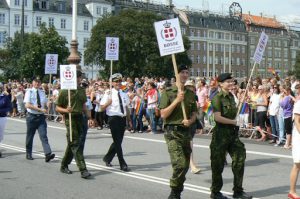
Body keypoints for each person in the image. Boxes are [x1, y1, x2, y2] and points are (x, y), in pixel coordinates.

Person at [210, 73, 252, 199]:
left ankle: (238, 191)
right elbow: (217, 117)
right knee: (217, 165)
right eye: (228, 81)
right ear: (221, 84)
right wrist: (234, 122)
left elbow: (233, 114)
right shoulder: (217, 98)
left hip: (232, 134)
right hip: (221, 134)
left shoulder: (231, 97)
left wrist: (240, 105)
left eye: (232, 81)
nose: (231, 83)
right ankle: (215, 192)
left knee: (239, 159)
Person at [159, 65, 197, 199]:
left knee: (186, 165)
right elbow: (163, 114)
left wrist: (191, 121)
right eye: (182, 72)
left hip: (185, 132)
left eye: (187, 72)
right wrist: (176, 100)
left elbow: (194, 113)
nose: (185, 75)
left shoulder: (191, 93)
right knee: (179, 164)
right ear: (176, 74)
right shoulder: (168, 92)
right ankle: (174, 192)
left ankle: (177, 192)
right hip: (172, 132)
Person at [56, 70, 91, 179]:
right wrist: (66, 110)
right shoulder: (64, 91)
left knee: (74, 143)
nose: (78, 79)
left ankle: (64, 165)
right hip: (70, 118)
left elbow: (84, 105)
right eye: (76, 77)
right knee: (75, 143)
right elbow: (57, 107)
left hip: (81, 118)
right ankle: (83, 169)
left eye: (79, 77)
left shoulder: (81, 90)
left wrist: (90, 117)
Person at [100, 73, 131, 172]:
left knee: (118, 141)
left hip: (122, 119)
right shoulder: (108, 93)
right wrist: (108, 103)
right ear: (112, 83)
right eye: (116, 81)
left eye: (119, 81)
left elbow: (126, 107)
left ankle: (107, 158)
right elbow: (101, 108)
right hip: (113, 118)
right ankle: (122, 163)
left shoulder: (124, 93)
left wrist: (129, 120)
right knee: (117, 142)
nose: (118, 83)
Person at [23, 78, 55, 162]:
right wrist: (40, 109)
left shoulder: (42, 92)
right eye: (35, 82)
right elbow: (27, 105)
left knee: (43, 135)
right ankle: (28, 153)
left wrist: (48, 104)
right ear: (32, 83)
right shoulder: (29, 92)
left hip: (41, 117)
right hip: (32, 117)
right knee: (30, 136)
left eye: (38, 82)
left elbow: (44, 103)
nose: (37, 83)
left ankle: (48, 154)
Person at [288, 83, 300, 199]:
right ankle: (292, 191)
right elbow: (297, 122)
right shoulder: (299, 104)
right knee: (297, 164)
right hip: (299, 137)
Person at [0, 83, 12, 157]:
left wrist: (2, 111)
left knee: (0, 135)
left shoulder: (5, 97)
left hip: (2, 117)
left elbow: (9, 107)